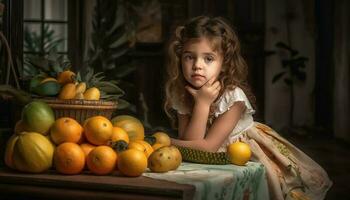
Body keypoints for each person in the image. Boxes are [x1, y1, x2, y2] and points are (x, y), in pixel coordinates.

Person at [163, 16, 332, 200]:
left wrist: (168, 139)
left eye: (208, 58)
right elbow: (190, 146)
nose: (197, 66)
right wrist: (200, 104)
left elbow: (205, 148)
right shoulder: (181, 94)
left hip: (245, 156)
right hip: (205, 161)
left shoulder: (233, 97)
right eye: (189, 57)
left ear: (224, 62)